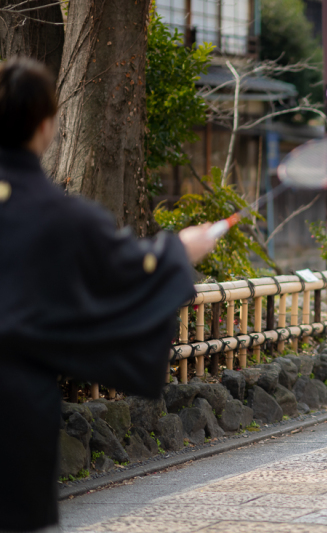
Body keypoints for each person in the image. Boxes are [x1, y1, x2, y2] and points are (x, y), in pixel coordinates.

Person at [0, 57, 217, 532]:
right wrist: (181, 249)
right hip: (15, 404)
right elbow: (127, 270)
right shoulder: (60, 217)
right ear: (46, 126)